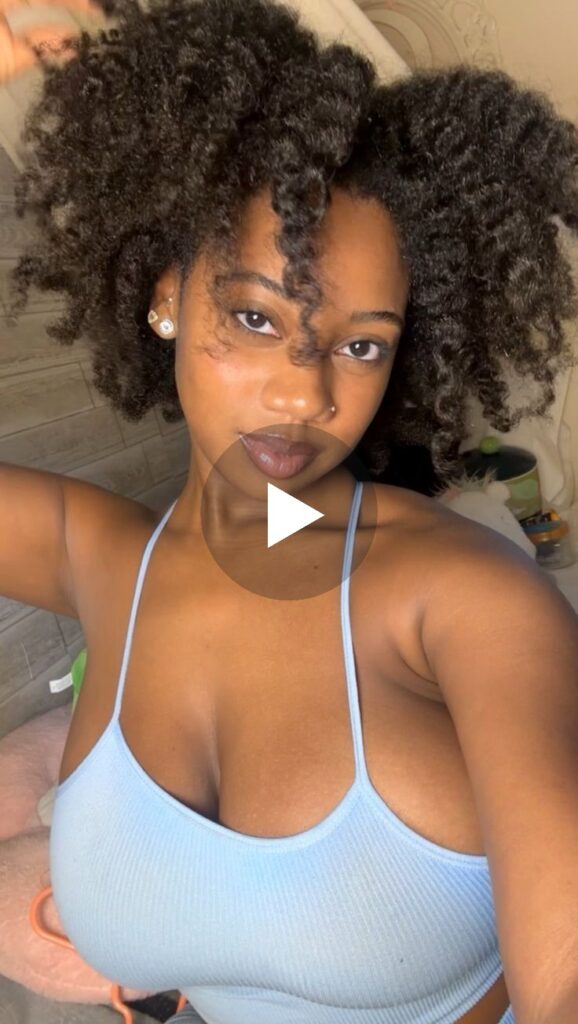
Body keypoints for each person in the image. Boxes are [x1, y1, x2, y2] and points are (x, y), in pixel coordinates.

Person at [2, 1, 578, 1022]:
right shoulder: (98, 559)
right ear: (168, 295)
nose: (307, 393)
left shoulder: (464, 597)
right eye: (256, 316)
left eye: (361, 345)